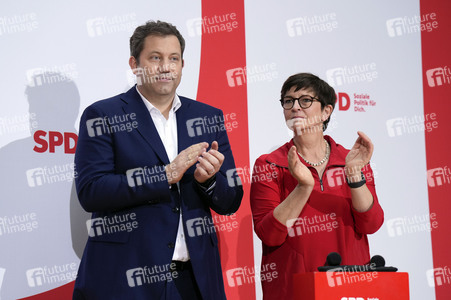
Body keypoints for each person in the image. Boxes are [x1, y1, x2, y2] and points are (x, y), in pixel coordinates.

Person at [73, 20, 243, 299]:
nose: (166, 67)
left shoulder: (207, 116)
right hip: (127, 277)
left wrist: (209, 181)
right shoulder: (103, 115)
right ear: (134, 63)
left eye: (173, 58)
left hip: (195, 279)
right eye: (155, 57)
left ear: (182, 65)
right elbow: (91, 191)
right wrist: (164, 175)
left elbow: (231, 200)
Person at [250, 73, 384, 299]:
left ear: (326, 111)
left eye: (305, 101)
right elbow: (270, 235)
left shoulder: (350, 159)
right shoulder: (270, 164)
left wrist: (353, 173)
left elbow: (371, 223)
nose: (295, 107)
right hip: (293, 289)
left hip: (349, 289)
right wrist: (303, 187)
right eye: (288, 101)